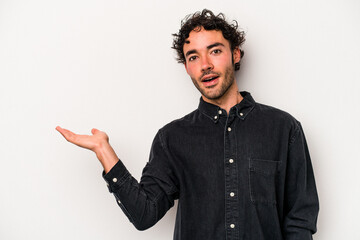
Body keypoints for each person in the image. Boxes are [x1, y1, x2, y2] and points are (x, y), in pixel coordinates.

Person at [56, 9, 319, 240]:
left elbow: (299, 221)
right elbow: (144, 215)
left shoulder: (284, 129)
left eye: (215, 51)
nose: (205, 65)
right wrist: (104, 151)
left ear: (235, 54)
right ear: (186, 68)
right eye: (193, 57)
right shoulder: (171, 139)